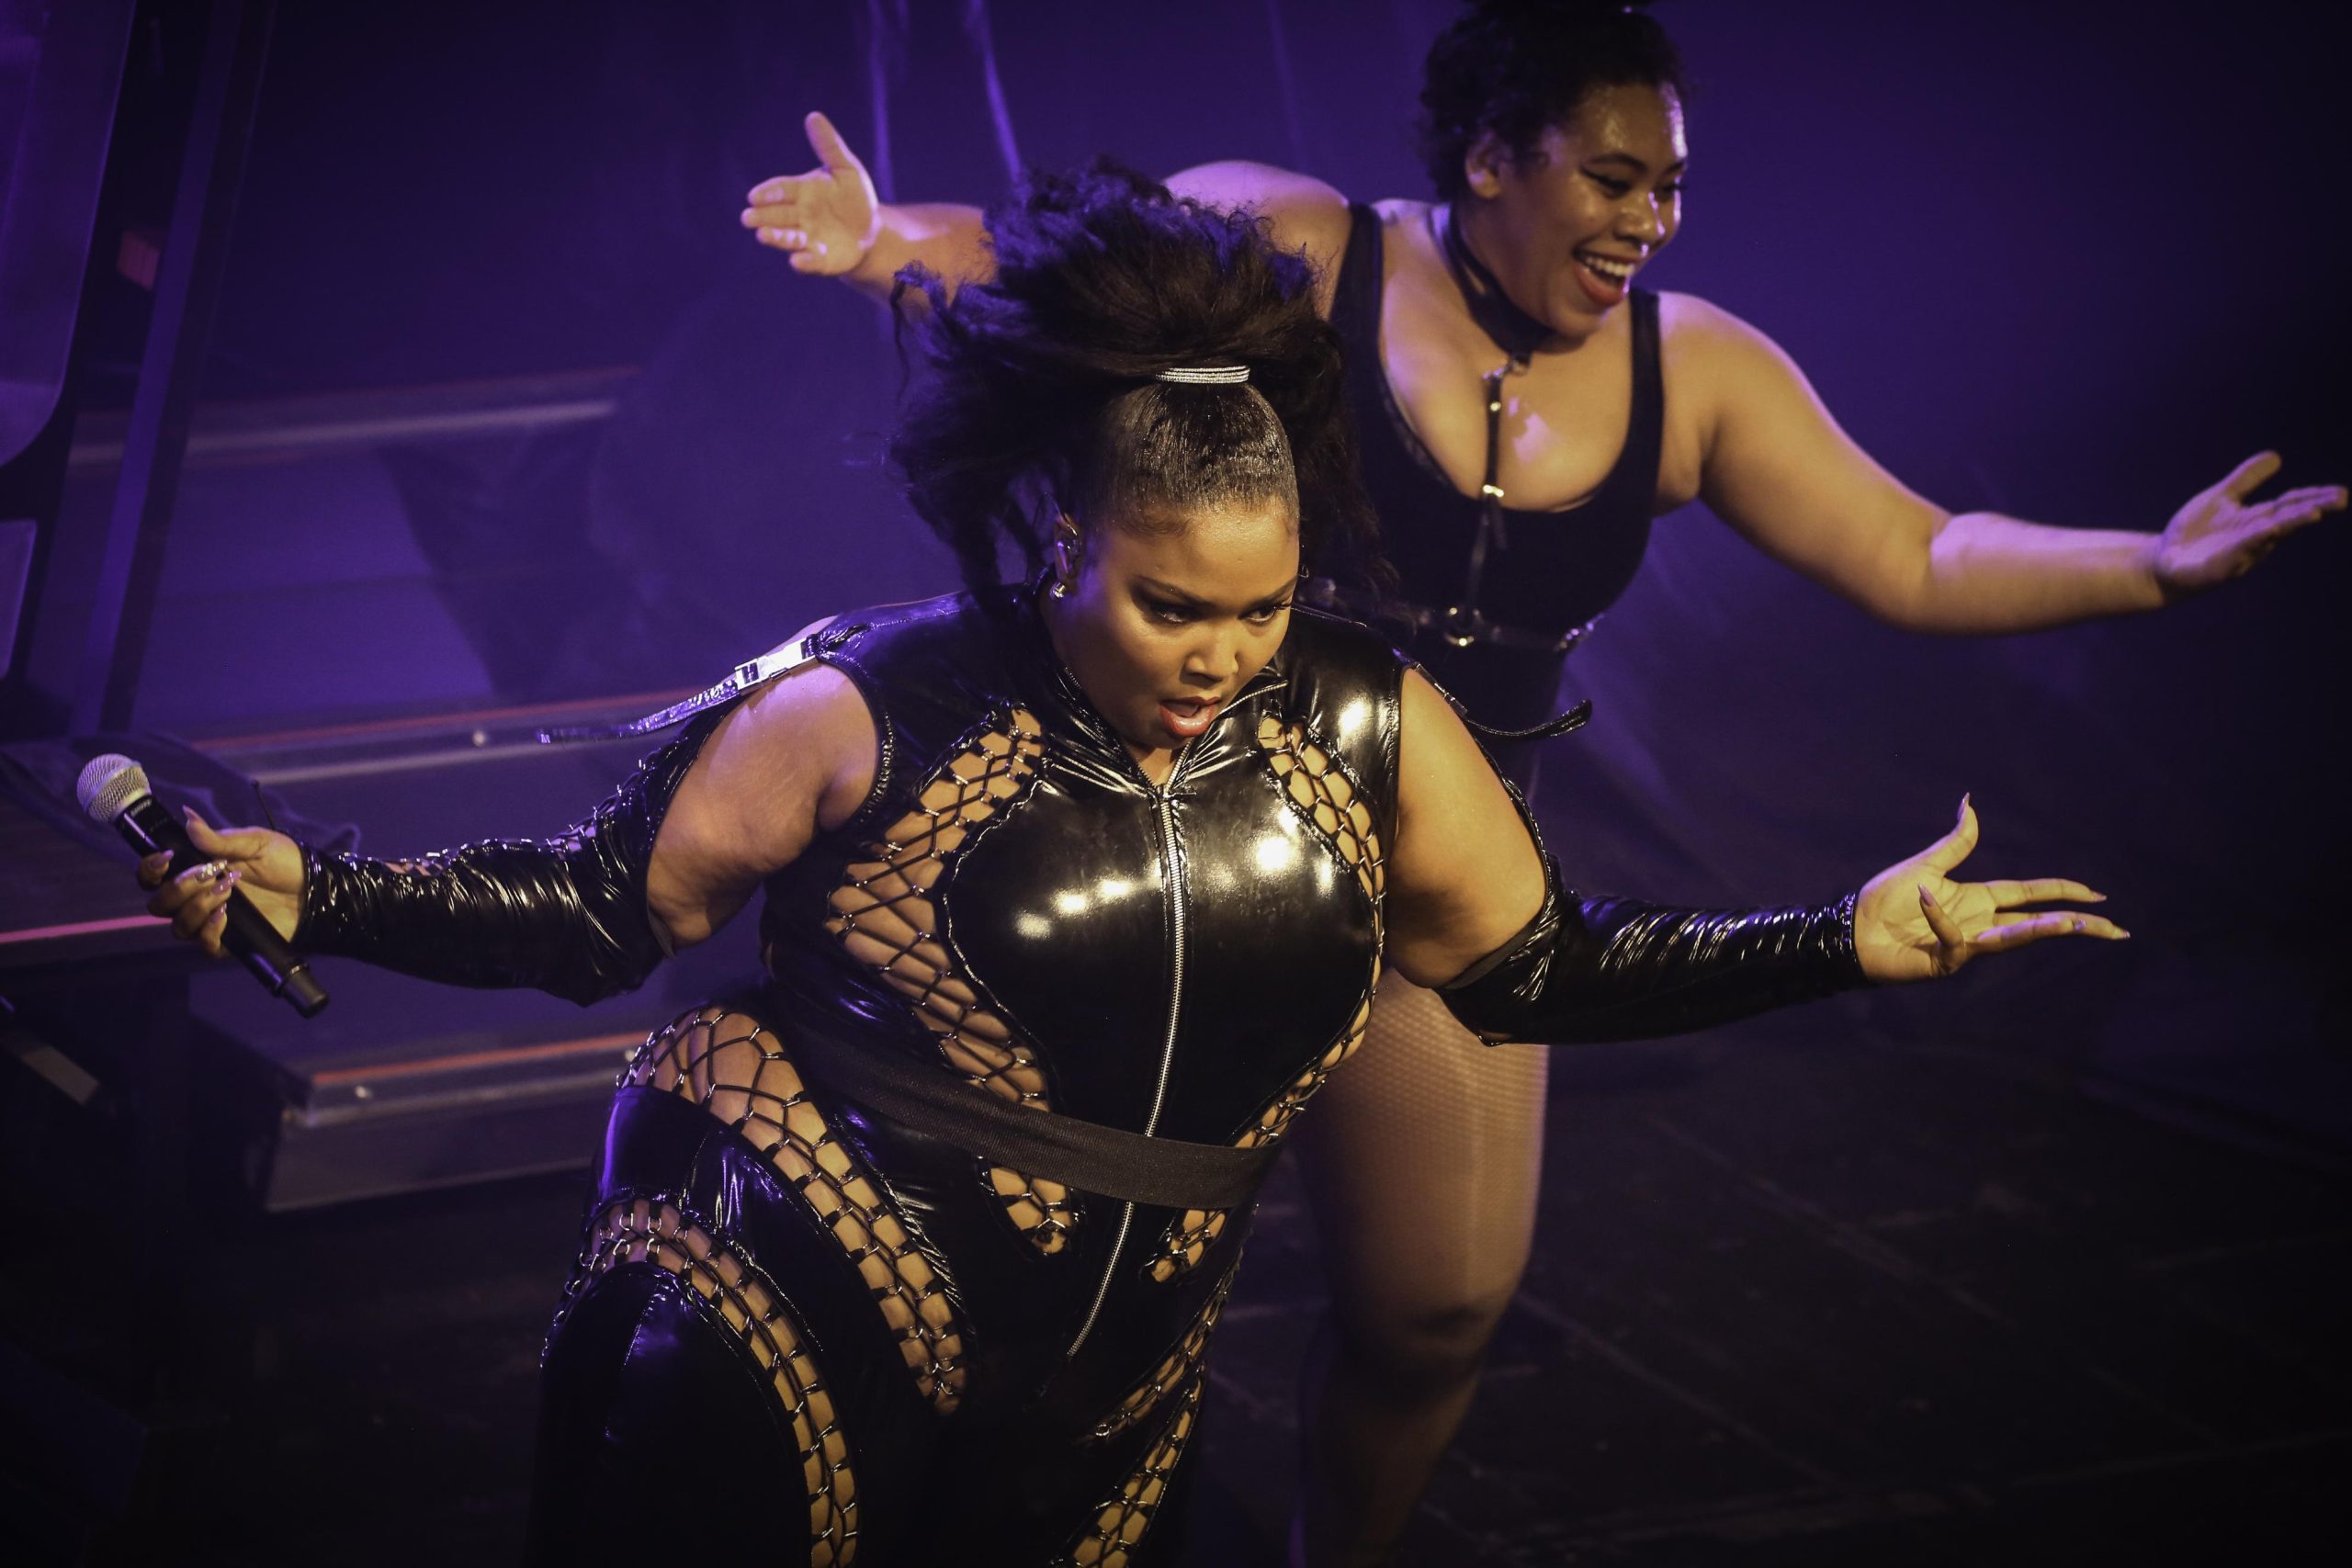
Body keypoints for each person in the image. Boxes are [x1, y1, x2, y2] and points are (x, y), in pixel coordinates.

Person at [145, 165, 2117, 1567]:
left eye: (1259, 610)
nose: (1219, 656)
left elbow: (1535, 968)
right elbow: (605, 908)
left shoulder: (1365, 721)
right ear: (1064, 539)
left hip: (1113, 1374)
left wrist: (1833, 939)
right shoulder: (866, 701)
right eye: (1173, 605)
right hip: (798, 1304)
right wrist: (327, 889)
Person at [735, 5, 2343, 1559]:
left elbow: (1916, 550)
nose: (1651, 219)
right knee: (1052, 1283)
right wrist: (878, 241)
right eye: (1614, 177)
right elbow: (1047, 268)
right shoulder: (1308, 247)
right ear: (1492, 157)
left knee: (1440, 1308)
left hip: (1429, 870)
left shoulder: (1692, 371)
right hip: (1171, 833)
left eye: (1672, 187)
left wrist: (2150, 563)